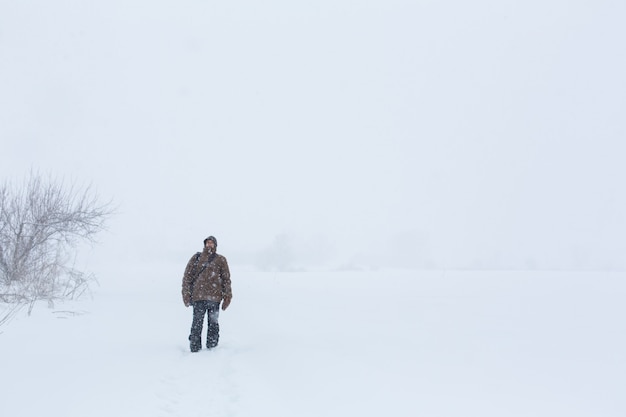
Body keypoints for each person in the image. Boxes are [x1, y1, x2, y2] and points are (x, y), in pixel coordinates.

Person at [181, 236, 232, 352]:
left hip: (215, 298)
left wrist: (227, 296)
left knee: (213, 324)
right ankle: (194, 347)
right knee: (196, 324)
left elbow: (226, 279)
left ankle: (212, 348)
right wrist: (186, 294)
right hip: (198, 297)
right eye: (207, 243)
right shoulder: (197, 258)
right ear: (204, 244)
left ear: (215, 245)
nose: (209, 245)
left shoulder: (221, 260)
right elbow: (187, 277)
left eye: (211, 243)